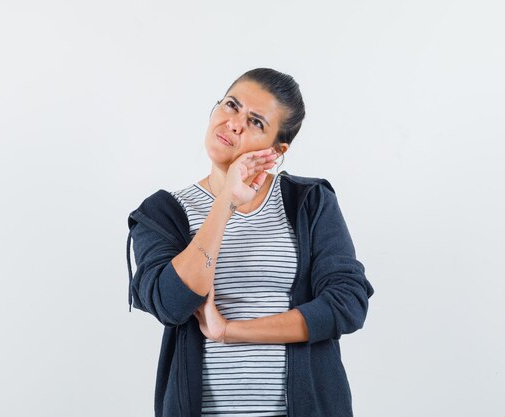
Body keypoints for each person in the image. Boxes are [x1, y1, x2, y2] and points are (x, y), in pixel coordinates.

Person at [125, 68, 374, 417]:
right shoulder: (164, 212)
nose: (235, 123)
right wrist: (225, 201)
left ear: (277, 150)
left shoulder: (309, 202)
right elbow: (171, 302)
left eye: (256, 122)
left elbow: (347, 303)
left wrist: (230, 331)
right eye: (230, 105)